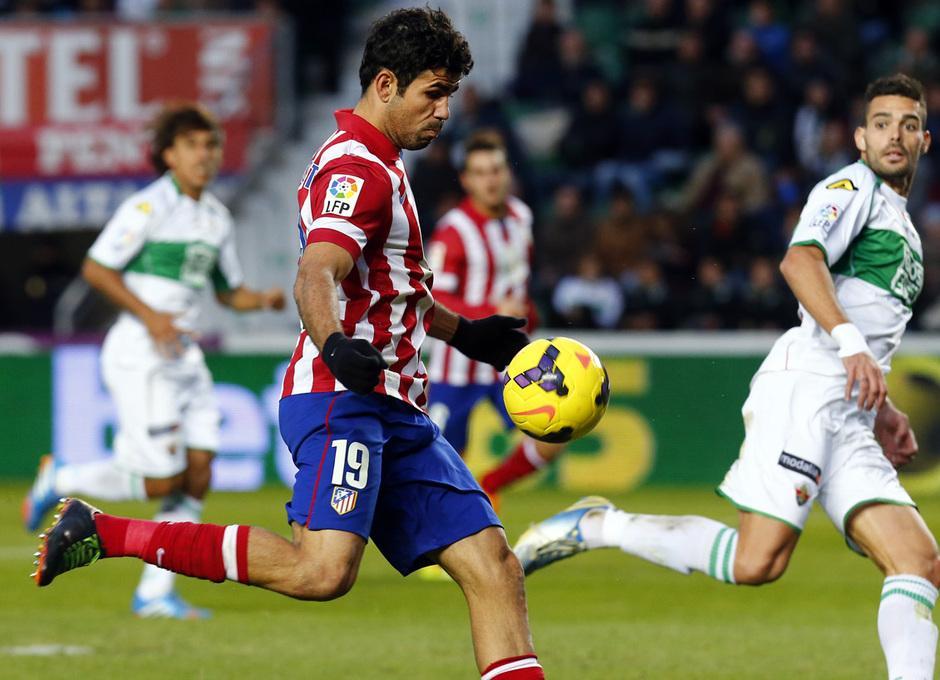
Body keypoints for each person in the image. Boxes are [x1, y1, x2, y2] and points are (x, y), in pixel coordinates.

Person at [33, 9, 544, 679]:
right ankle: (106, 531)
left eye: (449, 94)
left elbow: (391, 289)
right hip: (344, 400)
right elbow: (316, 272)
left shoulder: (384, 164)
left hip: (399, 407)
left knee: (494, 565)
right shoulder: (357, 169)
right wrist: (335, 346)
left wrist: (466, 333)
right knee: (321, 571)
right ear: (386, 84)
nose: (444, 110)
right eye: (434, 93)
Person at [515, 74, 938, 679]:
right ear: (860, 137)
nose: (894, 135)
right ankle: (601, 524)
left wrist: (884, 407)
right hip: (807, 390)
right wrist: (850, 346)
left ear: (925, 139)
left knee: (919, 561)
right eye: (881, 123)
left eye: (908, 125)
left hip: (850, 410)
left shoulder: (905, 226)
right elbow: (800, 260)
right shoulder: (852, 188)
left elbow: (870, 327)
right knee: (756, 563)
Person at [22, 103, 286, 619]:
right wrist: (151, 317)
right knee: (162, 481)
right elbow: (97, 269)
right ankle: (63, 479)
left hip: (184, 355)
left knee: (199, 470)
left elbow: (227, 292)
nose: (204, 155)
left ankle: (155, 592)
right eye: (192, 145)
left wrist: (263, 299)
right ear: (168, 154)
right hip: (141, 351)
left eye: (210, 145)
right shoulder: (147, 207)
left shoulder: (216, 218)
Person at [425, 131, 563, 510]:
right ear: (466, 180)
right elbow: (434, 297)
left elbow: (521, 285)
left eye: (497, 170)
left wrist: (527, 313)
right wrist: (490, 309)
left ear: (508, 173)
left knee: (555, 431)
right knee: (440, 462)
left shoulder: (521, 217)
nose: (491, 180)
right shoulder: (453, 230)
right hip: (457, 365)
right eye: (481, 172)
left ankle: (490, 486)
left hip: (509, 361)